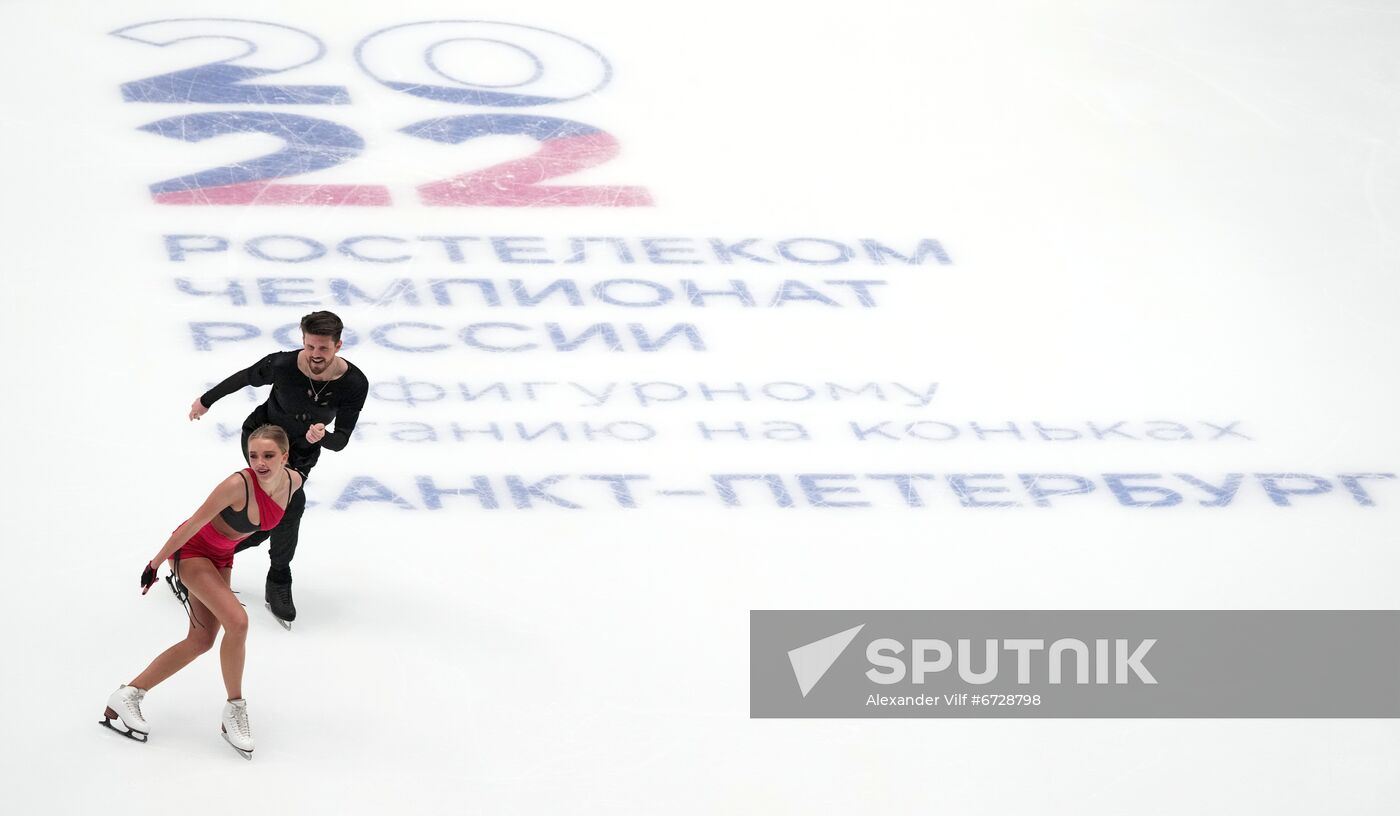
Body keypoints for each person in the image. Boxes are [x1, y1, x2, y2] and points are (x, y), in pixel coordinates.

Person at [101, 425, 304, 759]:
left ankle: (127, 696)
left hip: (222, 556)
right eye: (254, 455)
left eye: (269, 455)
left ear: (285, 456)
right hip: (192, 551)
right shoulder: (237, 485)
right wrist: (155, 563)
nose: (260, 462)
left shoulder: (294, 482)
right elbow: (194, 523)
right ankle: (234, 710)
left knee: (201, 640)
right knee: (237, 622)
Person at [188, 311, 368, 627]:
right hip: (263, 440)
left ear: (338, 345)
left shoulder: (354, 383)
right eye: (310, 346)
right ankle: (279, 579)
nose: (315, 355)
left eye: (323, 349)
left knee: (267, 523)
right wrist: (206, 400)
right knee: (287, 506)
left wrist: (322, 436)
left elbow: (340, 441)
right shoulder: (283, 365)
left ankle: (198, 552)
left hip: (300, 455)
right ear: (303, 340)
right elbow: (244, 377)